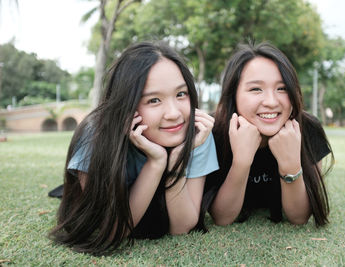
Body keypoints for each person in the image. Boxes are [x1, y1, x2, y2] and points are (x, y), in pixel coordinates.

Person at [49, 41, 219, 255]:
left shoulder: (196, 131)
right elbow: (112, 231)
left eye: (181, 94)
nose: (174, 113)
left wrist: (175, 163)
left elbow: (182, 227)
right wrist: (156, 162)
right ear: (126, 105)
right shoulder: (96, 135)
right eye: (154, 100)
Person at [202, 42, 334, 228]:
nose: (271, 102)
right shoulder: (213, 132)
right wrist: (241, 161)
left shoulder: (307, 128)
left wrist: (290, 164)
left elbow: (298, 218)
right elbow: (222, 219)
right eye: (256, 89)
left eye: (282, 88)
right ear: (233, 95)